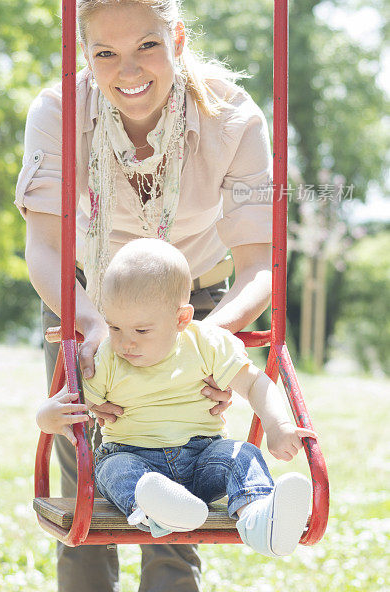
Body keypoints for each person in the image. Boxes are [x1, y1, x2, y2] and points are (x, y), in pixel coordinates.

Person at [16, 0, 274, 591]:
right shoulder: (58, 112)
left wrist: (215, 339)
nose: (127, 71)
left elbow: (261, 261)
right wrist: (92, 325)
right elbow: (45, 248)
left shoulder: (233, 118)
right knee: (88, 473)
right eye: (104, 53)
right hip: (87, 298)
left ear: (178, 37)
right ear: (85, 53)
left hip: (200, 302)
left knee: (179, 451)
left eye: (148, 46)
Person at [36, 238, 315, 557]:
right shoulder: (109, 357)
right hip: (133, 455)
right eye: (114, 327)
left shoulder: (207, 343)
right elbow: (70, 402)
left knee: (240, 454)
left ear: (182, 319)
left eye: (141, 331)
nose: (126, 343)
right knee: (114, 468)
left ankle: (259, 519)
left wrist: (277, 425)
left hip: (202, 457)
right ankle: (156, 509)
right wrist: (47, 415)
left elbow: (255, 384)